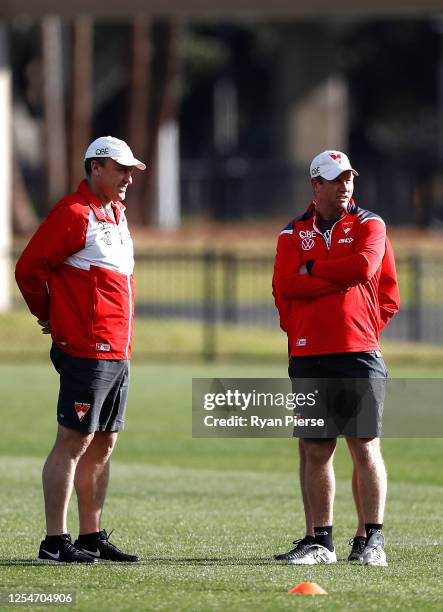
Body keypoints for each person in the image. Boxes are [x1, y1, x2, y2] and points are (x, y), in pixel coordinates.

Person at [15, 136, 146, 563]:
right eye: (121, 169)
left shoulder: (116, 212)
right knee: (74, 439)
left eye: (130, 170)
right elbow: (29, 269)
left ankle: (90, 536)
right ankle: (55, 541)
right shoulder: (72, 213)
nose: (128, 178)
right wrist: (50, 316)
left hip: (117, 350)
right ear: (95, 168)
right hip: (87, 349)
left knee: (104, 443)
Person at [272, 150, 400, 566]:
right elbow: (285, 287)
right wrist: (321, 288)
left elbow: (365, 270)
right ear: (316, 185)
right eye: (335, 179)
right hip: (309, 354)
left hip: (358, 351)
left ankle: (372, 540)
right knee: (314, 449)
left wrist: (314, 272)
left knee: (364, 446)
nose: (345, 185)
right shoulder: (291, 234)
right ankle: (320, 542)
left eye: (348, 178)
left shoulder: (370, 224)